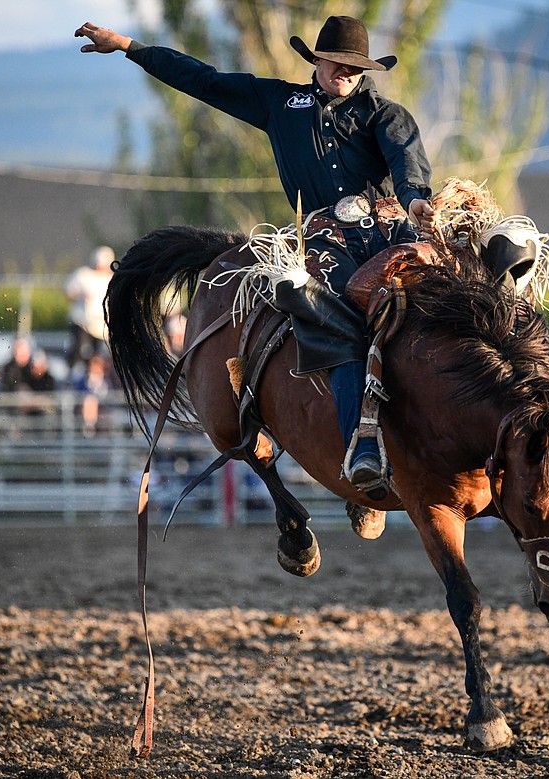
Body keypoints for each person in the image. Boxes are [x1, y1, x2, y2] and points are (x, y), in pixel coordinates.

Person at [77, 15, 435, 499]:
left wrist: (415, 199)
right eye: (338, 63)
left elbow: (406, 163)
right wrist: (128, 46)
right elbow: (204, 81)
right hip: (324, 245)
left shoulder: (385, 115)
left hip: (391, 233)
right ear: (318, 61)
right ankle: (361, 444)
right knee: (346, 322)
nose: (346, 73)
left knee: (449, 306)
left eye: (355, 67)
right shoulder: (279, 103)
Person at [65, 246, 115, 372]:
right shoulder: (84, 275)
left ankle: (96, 378)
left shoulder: (112, 279)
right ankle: (74, 373)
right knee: (81, 350)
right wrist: (80, 295)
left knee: (99, 356)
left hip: (101, 326)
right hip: (83, 322)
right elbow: (69, 292)